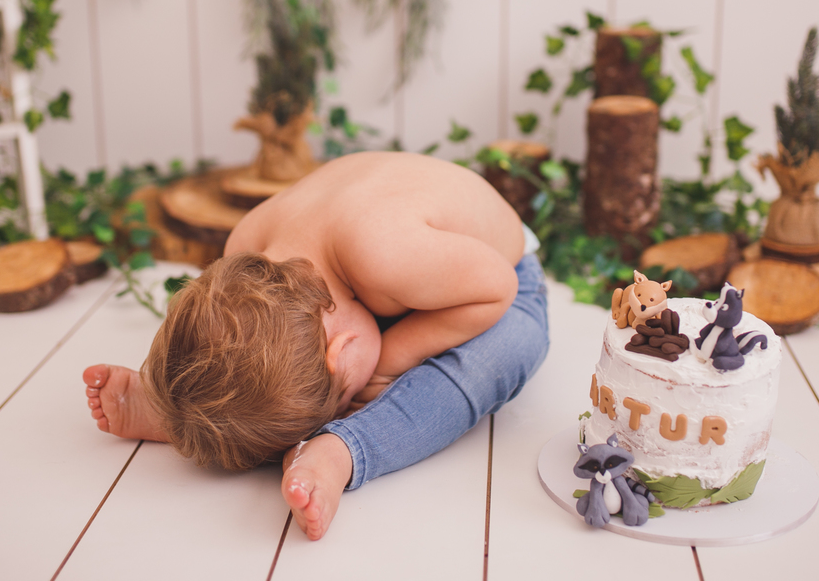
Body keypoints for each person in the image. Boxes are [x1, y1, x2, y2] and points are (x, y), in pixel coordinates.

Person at [83, 151, 550, 540]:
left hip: (490, 277)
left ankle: (342, 449)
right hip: (388, 283)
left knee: (507, 350)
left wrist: (392, 361)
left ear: (342, 349)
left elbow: (497, 287)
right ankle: (185, 410)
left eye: (341, 403)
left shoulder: (387, 253)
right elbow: (223, 319)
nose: (347, 400)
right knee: (252, 389)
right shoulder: (246, 250)